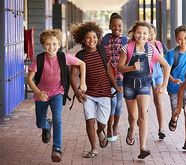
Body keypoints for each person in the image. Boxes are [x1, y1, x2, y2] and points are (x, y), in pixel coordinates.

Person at [26, 29, 86, 162]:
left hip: (57, 92)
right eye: (48, 44)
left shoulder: (64, 57)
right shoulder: (39, 59)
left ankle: (57, 149)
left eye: (54, 44)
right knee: (39, 122)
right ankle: (47, 126)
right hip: (41, 94)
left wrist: (83, 83)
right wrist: (37, 92)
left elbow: (82, 64)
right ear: (43, 45)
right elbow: (29, 79)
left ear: (59, 44)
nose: (51, 47)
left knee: (58, 119)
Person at [118, 21, 170, 159]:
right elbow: (119, 68)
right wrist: (131, 68)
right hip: (129, 85)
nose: (141, 35)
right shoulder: (126, 48)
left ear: (148, 35)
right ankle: (132, 129)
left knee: (143, 113)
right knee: (133, 117)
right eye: (139, 32)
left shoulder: (151, 49)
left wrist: (164, 85)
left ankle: (143, 147)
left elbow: (166, 66)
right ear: (134, 34)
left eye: (145, 33)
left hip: (145, 84)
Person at [70, 22, 121, 158]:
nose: (91, 40)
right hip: (88, 94)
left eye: (94, 37)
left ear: (98, 38)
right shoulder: (80, 56)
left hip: (104, 92)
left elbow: (109, 70)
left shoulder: (102, 51)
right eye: (88, 37)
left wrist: (115, 85)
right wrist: (77, 91)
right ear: (82, 39)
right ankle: (93, 148)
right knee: (89, 121)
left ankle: (101, 131)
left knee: (102, 122)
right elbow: (73, 75)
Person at [165, 25, 186, 150]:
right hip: (174, 88)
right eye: (180, 39)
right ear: (176, 40)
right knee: (176, 111)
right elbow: (166, 70)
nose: (183, 41)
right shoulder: (172, 54)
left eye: (185, 38)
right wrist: (173, 80)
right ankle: (174, 118)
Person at [102, 13, 128, 142]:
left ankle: (115, 125)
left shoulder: (125, 40)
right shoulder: (105, 39)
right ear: (110, 26)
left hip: (122, 78)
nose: (117, 28)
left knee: (118, 104)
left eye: (119, 26)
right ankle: (108, 128)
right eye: (114, 26)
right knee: (111, 103)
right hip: (109, 77)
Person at [149, 24, 168, 139]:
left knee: (159, 101)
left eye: (152, 33)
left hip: (158, 75)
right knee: (144, 103)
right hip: (146, 75)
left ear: (155, 34)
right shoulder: (143, 45)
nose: (150, 36)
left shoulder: (160, 45)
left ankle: (162, 128)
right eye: (148, 33)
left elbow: (166, 61)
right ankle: (141, 121)